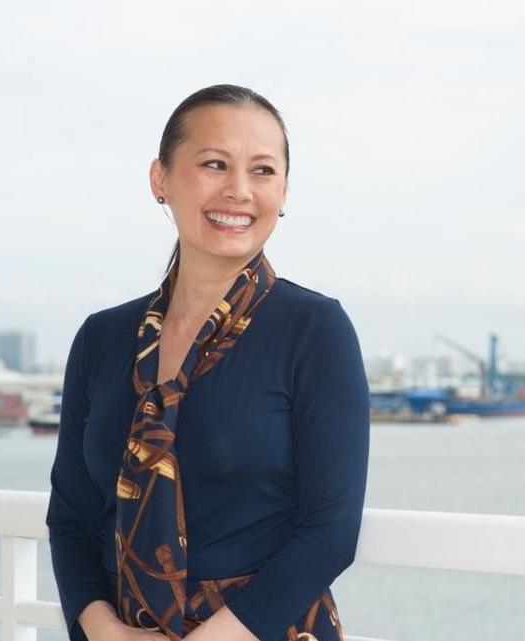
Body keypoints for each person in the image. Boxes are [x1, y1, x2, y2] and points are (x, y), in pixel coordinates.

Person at [45, 84, 370, 641]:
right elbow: (71, 518)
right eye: (214, 164)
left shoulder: (314, 329)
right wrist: (106, 630)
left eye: (263, 171)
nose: (239, 191)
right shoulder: (102, 338)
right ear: (160, 179)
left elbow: (330, 532)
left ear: (285, 191)